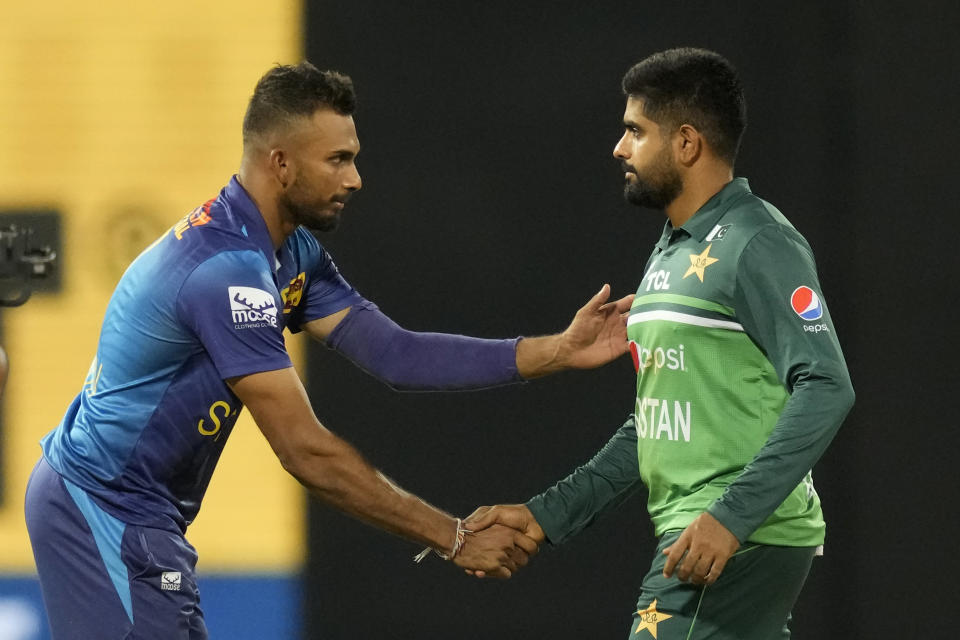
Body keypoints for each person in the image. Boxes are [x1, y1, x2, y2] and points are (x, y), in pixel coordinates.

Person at [23, 62, 633, 640]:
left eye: (354, 159)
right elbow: (306, 451)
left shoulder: (291, 253)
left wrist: (553, 351)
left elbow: (397, 354)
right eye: (338, 160)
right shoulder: (226, 272)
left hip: (144, 516)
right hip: (100, 507)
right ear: (281, 163)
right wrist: (452, 535)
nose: (355, 179)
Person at [466, 48, 855, 639]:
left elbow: (827, 385)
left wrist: (731, 518)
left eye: (634, 131)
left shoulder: (758, 241)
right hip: (719, 535)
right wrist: (547, 515)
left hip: (728, 540)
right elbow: (655, 421)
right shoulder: (673, 248)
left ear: (687, 143)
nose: (619, 149)